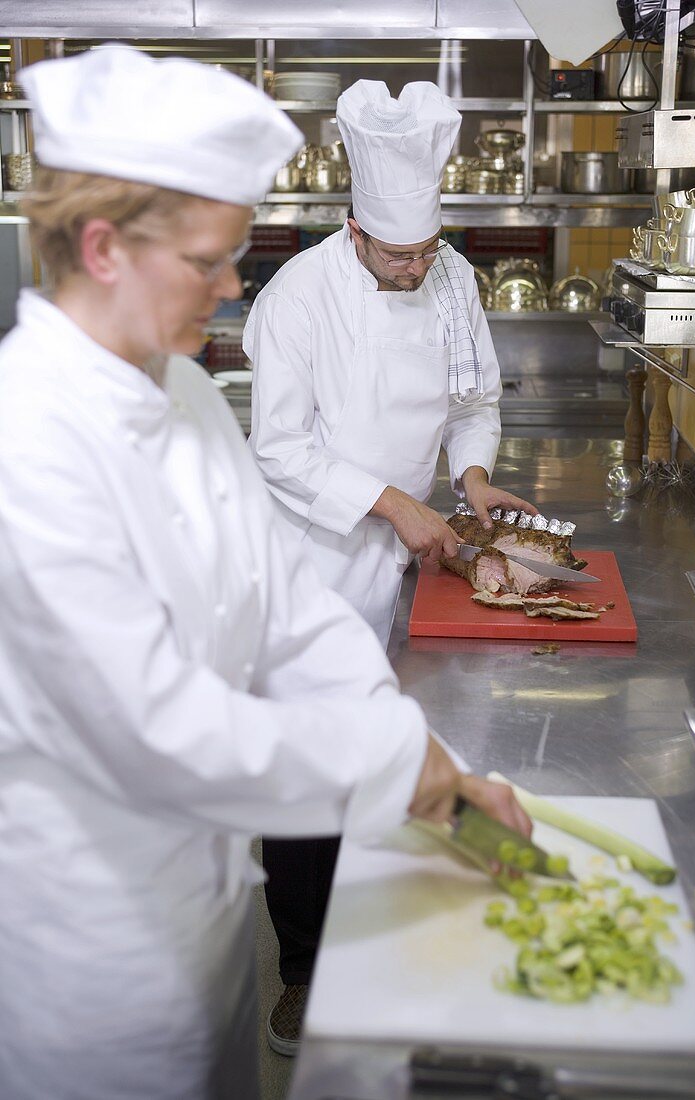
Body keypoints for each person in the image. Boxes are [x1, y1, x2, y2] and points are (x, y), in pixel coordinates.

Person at [0, 45, 531, 1100]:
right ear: (103, 248)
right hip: (90, 968)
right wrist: (406, 776)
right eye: (207, 261)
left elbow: (287, 611)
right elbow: (167, 730)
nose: (234, 286)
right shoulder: (28, 443)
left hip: (204, 920)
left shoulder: (186, 399)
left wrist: (423, 755)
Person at [243, 79, 537, 1053]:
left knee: (413, 740)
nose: (416, 269)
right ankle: (301, 967)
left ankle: (410, 939)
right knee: (310, 776)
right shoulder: (297, 296)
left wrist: (474, 476)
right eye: (397, 253)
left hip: (418, 560)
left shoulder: (450, 275)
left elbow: (472, 399)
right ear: (351, 228)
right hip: (315, 558)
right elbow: (280, 450)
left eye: (427, 248)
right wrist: (395, 504)